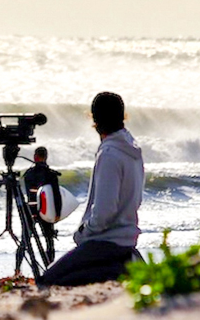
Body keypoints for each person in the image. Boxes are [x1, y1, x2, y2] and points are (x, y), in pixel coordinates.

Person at [40, 92, 145, 286]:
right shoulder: (133, 151)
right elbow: (136, 200)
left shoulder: (109, 154)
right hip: (126, 240)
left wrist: (84, 232)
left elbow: (104, 213)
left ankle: (119, 270)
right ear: (123, 117)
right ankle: (125, 263)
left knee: (47, 280)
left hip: (105, 243)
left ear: (94, 119)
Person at [22, 146, 61, 267]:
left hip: (31, 209)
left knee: (25, 240)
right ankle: (49, 267)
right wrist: (57, 213)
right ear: (46, 157)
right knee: (49, 240)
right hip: (46, 209)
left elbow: (27, 192)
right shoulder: (51, 174)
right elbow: (56, 195)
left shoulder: (28, 174)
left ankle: (17, 269)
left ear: (35, 157)